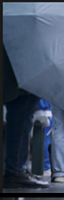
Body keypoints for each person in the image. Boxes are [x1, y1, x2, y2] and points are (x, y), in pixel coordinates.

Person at [3, 47, 49, 188]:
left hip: (17, 70)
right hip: (20, 72)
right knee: (21, 117)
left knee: (21, 117)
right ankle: (16, 170)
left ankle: (17, 168)